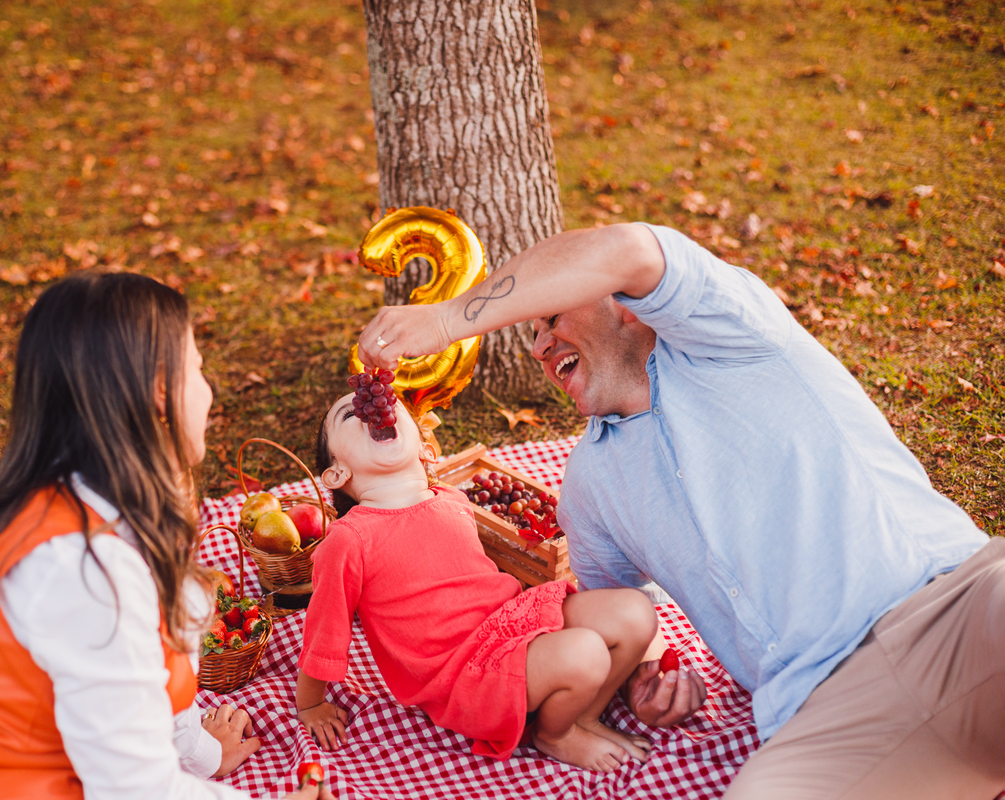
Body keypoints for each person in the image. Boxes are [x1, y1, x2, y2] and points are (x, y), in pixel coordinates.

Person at [355, 221, 1005, 799]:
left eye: (551, 316)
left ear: (627, 308)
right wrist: (649, 679)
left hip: (950, 609)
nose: (539, 346)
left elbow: (627, 248)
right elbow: (619, 615)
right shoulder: (590, 486)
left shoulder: (733, 337)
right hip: (824, 717)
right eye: (533, 335)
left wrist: (445, 321)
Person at [0, 272, 333, 800]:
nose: (209, 391)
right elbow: (132, 790)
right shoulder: (89, 572)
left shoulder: (86, 504)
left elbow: (133, 690)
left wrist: (203, 755)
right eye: (199, 369)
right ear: (159, 394)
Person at [297, 390, 669, 772]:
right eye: (347, 415)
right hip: (463, 675)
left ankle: (583, 716)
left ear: (425, 447)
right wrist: (310, 703)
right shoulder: (349, 538)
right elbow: (324, 627)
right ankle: (555, 734)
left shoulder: (452, 499)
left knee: (635, 612)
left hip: (508, 621)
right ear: (337, 474)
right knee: (585, 652)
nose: (367, 407)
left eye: (384, 402)